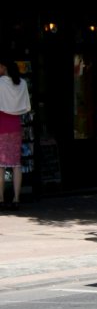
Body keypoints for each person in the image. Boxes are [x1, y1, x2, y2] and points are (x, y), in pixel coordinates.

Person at [0, 58, 30, 210]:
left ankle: (1, 197)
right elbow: (26, 107)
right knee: (16, 164)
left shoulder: (0, 83)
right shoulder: (22, 83)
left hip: (1, 124)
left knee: (1, 165)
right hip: (15, 126)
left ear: (3, 67)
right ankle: (16, 198)